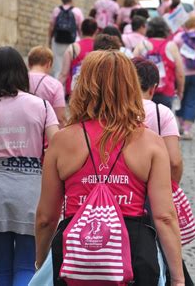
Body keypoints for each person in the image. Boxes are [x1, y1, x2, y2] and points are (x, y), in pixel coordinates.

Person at [34, 50, 186, 286]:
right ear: (131, 87)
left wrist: (42, 260)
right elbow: (165, 216)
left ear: (83, 86)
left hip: (75, 254)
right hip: (134, 251)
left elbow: (46, 217)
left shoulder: (61, 141)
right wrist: (178, 278)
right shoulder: (151, 142)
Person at [0, 47, 59, 285]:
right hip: (31, 189)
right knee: (26, 265)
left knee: (2, 269)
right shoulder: (41, 106)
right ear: (21, 71)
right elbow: (56, 143)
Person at [133, 57, 183, 182]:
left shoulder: (111, 111)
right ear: (153, 88)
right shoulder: (162, 113)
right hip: (152, 187)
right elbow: (174, 162)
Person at [133, 17, 185, 109]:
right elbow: (180, 73)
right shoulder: (171, 46)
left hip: (143, 90)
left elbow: (131, 67)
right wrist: (180, 91)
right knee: (163, 120)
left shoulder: (142, 45)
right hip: (166, 90)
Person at [48, 0, 84, 79]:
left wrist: (49, 40)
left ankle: (58, 86)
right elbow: (81, 27)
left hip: (58, 40)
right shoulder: (77, 11)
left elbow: (51, 27)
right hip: (73, 41)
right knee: (73, 64)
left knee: (58, 66)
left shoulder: (56, 10)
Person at [27, 46, 66, 127]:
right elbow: (60, 118)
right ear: (48, 64)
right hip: (45, 133)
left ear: (29, 64)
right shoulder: (55, 85)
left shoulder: (18, 80)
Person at [58, 18, 98, 98]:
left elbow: (64, 74)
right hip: (93, 93)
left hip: (73, 92)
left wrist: (54, 88)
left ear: (81, 30)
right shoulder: (99, 48)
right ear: (96, 31)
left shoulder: (73, 47)